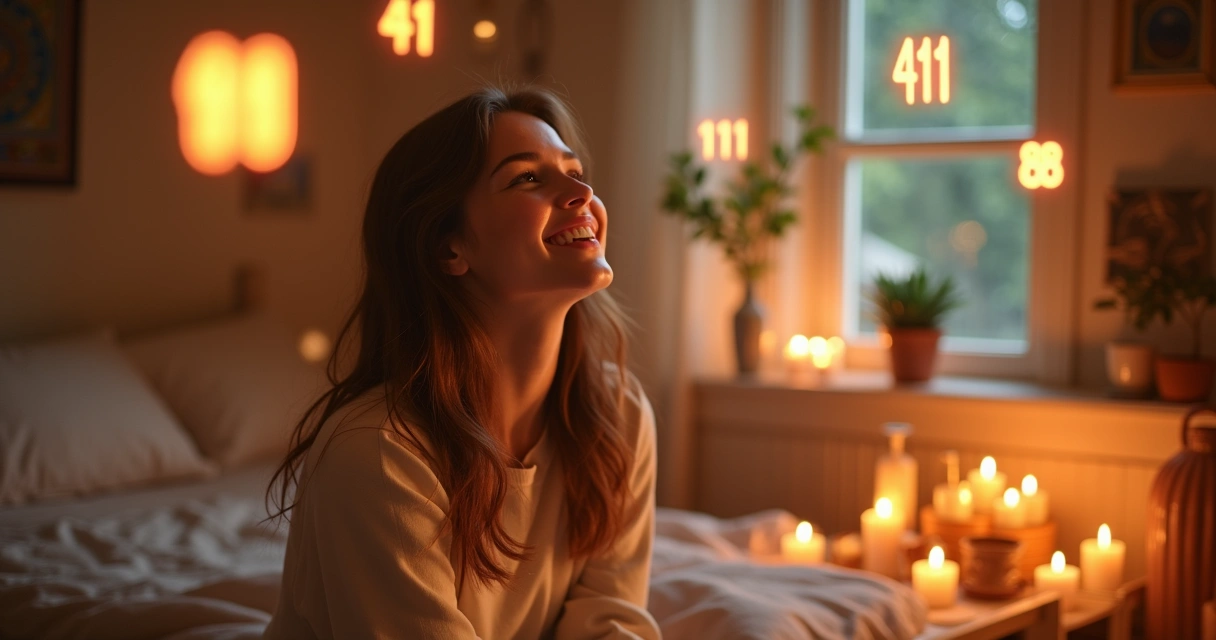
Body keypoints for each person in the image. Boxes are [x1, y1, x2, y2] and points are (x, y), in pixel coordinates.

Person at [262, 86, 660, 639]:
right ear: (449, 248)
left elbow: (610, 616)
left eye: (574, 170)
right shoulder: (376, 453)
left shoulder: (617, 413)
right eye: (527, 178)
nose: (582, 191)